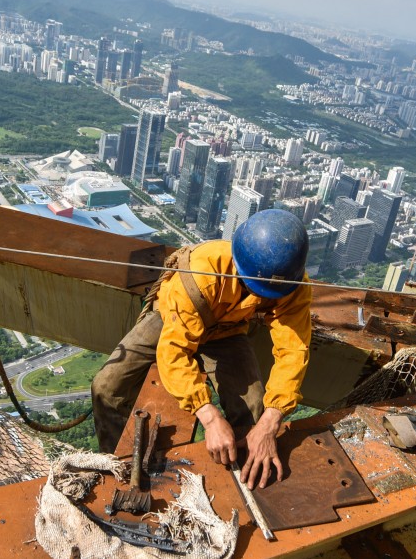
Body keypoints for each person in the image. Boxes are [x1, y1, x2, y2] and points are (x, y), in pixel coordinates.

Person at [91, 209, 312, 490]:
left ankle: (245, 481)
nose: (259, 295)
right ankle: (116, 465)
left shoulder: (289, 283)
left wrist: (271, 422)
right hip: (174, 318)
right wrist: (209, 417)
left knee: (255, 410)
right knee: (106, 387)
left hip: (226, 330)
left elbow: (293, 350)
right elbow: (174, 352)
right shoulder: (201, 273)